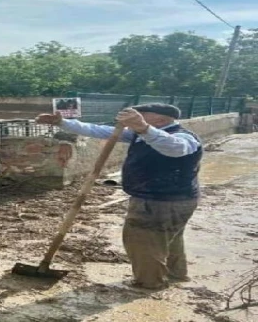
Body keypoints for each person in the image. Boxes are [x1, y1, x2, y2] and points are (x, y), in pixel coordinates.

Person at [36, 103, 202, 290]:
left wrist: (143, 127)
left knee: (142, 241)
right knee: (168, 238)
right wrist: (63, 122)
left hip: (160, 202)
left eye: (143, 114)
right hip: (171, 200)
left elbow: (175, 148)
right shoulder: (139, 135)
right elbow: (98, 130)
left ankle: (148, 284)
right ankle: (175, 275)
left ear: (161, 119)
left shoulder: (182, 137)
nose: (136, 117)